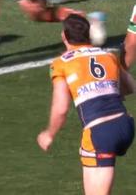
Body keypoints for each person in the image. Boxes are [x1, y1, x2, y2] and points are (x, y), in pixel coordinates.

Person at [37, 14, 135, 195]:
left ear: (64, 37)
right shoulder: (108, 55)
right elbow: (130, 87)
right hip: (125, 125)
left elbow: (61, 107)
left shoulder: (61, 64)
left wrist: (49, 133)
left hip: (99, 134)